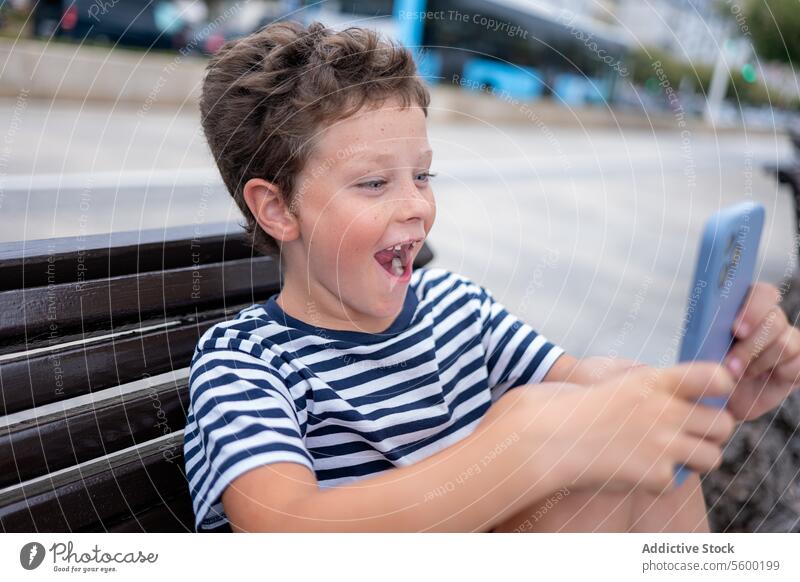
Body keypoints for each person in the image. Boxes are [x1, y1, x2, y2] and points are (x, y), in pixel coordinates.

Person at [183, 20, 800, 533]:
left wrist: (710, 386)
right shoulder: (245, 365)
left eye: (422, 176)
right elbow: (287, 529)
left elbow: (596, 392)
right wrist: (524, 450)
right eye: (375, 182)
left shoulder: (458, 308)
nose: (415, 206)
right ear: (278, 208)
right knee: (547, 425)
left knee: (629, 463)